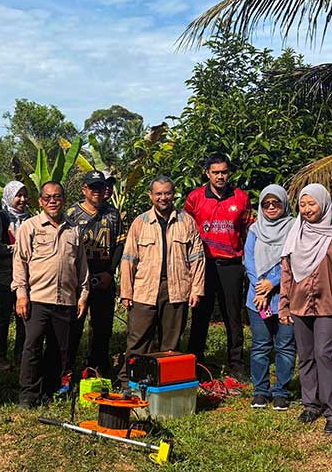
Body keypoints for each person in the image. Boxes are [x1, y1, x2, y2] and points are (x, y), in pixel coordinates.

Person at [279, 183, 332, 435]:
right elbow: (287, 271)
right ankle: (310, 405)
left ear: (323, 203)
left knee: (324, 354)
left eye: (311, 203)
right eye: (302, 205)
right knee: (306, 356)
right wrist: (284, 304)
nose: (306, 209)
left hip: (329, 303)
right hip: (300, 303)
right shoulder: (295, 232)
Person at [119, 175, 205, 388]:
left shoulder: (187, 222)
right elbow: (128, 259)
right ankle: (129, 383)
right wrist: (126, 292)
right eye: (158, 193)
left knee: (171, 344)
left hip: (176, 288)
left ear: (173, 194)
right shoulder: (140, 223)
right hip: (144, 289)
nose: (163, 197)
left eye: (167, 193)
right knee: (138, 340)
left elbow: (197, 258)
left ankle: (165, 385)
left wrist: (197, 289)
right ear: (151, 196)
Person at [12, 181, 89, 408]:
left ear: (64, 199)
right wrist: (21, 295)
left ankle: (48, 390)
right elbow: (20, 262)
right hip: (37, 298)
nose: (52, 201)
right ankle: (28, 395)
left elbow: (81, 266)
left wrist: (83, 296)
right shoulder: (30, 227)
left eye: (57, 197)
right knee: (32, 346)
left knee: (58, 349)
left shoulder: (74, 230)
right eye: (47, 198)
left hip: (65, 299)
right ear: (40, 201)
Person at [184, 153, 251, 378]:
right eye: (216, 172)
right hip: (203, 264)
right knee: (200, 315)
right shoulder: (195, 198)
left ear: (229, 172)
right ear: (207, 174)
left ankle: (236, 364)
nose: (220, 176)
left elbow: (246, 231)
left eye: (224, 172)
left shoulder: (241, 198)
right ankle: (196, 363)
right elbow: (186, 229)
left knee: (232, 315)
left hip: (231, 264)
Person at [65, 170, 126, 378]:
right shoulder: (72, 214)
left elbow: (120, 245)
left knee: (102, 328)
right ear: (84, 189)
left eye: (101, 187)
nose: (98, 191)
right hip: (77, 280)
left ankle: (98, 369)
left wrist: (110, 272)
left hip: (104, 277)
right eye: (93, 187)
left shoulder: (113, 214)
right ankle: (67, 371)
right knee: (73, 327)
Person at [243, 185, 296, 411]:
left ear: (284, 204)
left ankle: (281, 391)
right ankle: (260, 391)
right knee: (260, 346)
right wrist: (260, 288)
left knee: (285, 345)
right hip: (258, 299)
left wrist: (272, 282)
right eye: (266, 203)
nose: (271, 207)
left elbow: (294, 260)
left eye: (276, 203)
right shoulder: (255, 229)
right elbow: (249, 260)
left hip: (286, 297)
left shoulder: (294, 228)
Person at [0, 180, 29, 370]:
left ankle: (21, 355)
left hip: (25, 277)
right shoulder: (1, 219)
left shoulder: (30, 220)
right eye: (17, 196)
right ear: (9, 197)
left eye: (24, 196)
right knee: (3, 317)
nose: (22, 200)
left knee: (24, 317)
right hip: (4, 276)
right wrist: (13, 249)